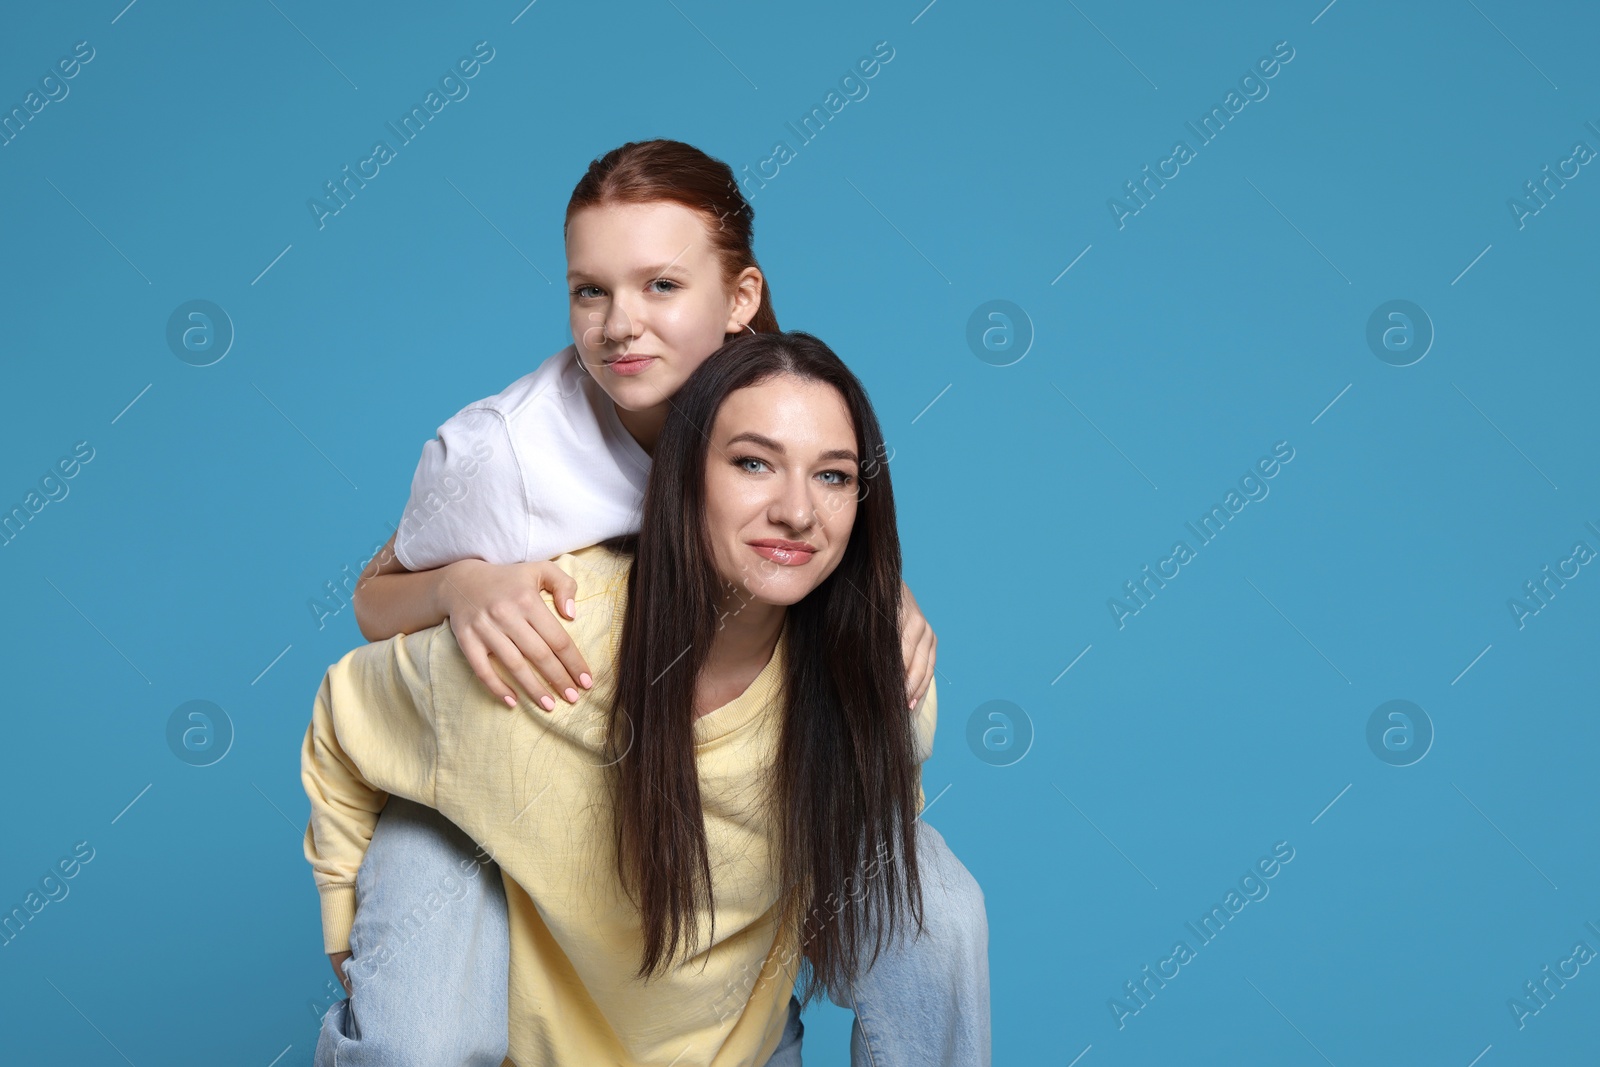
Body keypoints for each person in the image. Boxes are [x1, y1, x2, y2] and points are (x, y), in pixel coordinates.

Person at [315, 140, 989, 1064]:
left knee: (934, 895)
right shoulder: (504, 454)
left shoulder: (777, 399)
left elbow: (808, 506)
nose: (621, 325)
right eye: (590, 290)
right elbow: (368, 603)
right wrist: (460, 584)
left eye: (661, 287)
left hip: (708, 771)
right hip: (511, 761)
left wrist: (879, 591)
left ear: (740, 299)